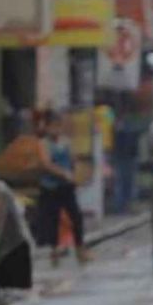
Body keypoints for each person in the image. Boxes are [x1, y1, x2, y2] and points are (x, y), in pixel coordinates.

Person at [36, 111, 91, 265]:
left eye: (58, 126)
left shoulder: (66, 142)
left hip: (66, 187)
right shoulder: (43, 143)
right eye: (52, 127)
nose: (56, 130)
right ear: (46, 128)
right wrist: (63, 173)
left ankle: (80, 248)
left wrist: (76, 173)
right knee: (52, 219)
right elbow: (46, 164)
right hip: (50, 187)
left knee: (76, 216)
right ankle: (54, 251)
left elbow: (73, 160)